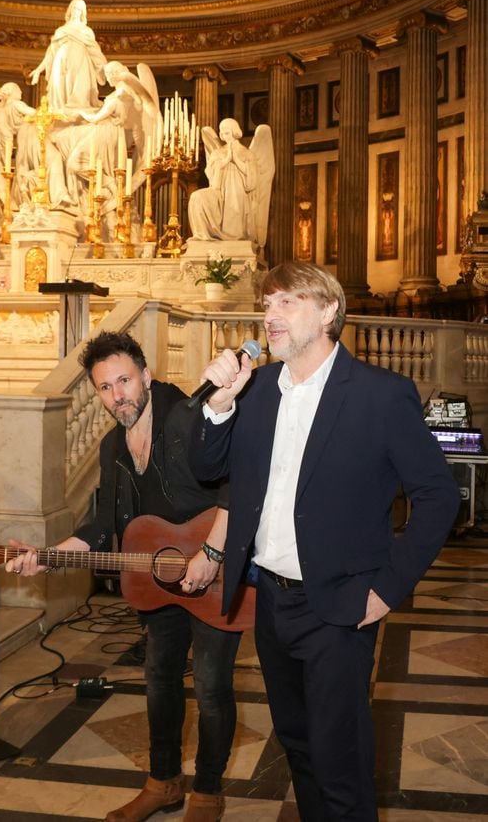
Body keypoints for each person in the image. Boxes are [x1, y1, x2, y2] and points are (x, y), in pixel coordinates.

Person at [187, 261, 461, 822]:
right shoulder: (257, 388)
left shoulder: (381, 395)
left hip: (339, 608)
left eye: (287, 301)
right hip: (269, 602)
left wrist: (386, 591)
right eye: (267, 304)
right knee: (298, 746)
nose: (271, 315)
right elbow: (206, 470)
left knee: (341, 762)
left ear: (329, 310)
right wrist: (219, 404)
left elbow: (439, 497)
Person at [6, 331, 240, 822]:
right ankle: (164, 783)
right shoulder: (112, 444)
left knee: (213, 687)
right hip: (159, 583)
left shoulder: (189, 415)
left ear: (146, 377)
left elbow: (239, 487)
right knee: (159, 680)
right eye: (105, 387)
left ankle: (209, 793)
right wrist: (47, 556)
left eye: (125, 381)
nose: (118, 396)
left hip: (214, 571)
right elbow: (101, 527)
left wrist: (212, 556)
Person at [30, 0, 107, 112]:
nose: (76, 11)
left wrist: (104, 68)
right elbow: (51, 54)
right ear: (70, 10)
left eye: (79, 9)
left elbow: (95, 52)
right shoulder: (61, 30)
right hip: (61, 64)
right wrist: (38, 69)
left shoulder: (86, 31)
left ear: (82, 13)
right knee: (60, 93)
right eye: (74, 8)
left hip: (80, 63)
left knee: (80, 92)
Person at [188, 118, 258, 242]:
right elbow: (211, 175)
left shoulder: (247, 154)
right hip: (218, 191)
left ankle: (233, 237)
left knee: (235, 200)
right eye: (222, 132)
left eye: (227, 132)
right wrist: (225, 160)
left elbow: (252, 179)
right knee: (196, 197)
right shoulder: (217, 153)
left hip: (237, 192)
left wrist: (236, 159)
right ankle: (202, 235)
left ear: (234, 132)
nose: (224, 135)